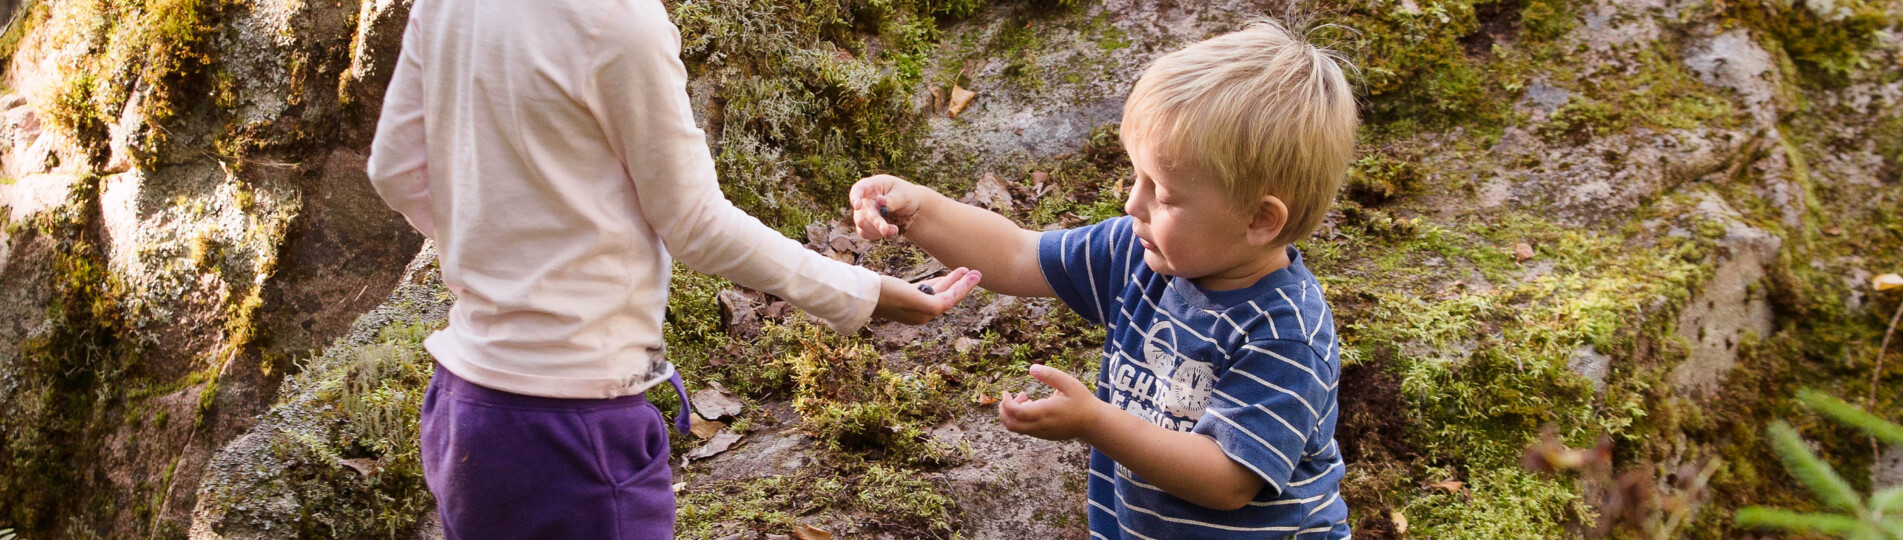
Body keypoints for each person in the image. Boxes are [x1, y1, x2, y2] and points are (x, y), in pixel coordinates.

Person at [364, 0, 980, 537]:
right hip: (575, 429)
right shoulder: (616, 20)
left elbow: (393, 170)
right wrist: (867, 292)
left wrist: (508, 256)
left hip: (464, 410)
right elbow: (697, 226)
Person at [848, 19, 1358, 539]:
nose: (1132, 203)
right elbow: (1017, 253)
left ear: (1259, 220)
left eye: (1162, 194)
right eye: (1136, 175)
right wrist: (919, 210)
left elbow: (1226, 480)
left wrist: (1096, 422)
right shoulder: (1135, 251)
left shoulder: (1285, 332)